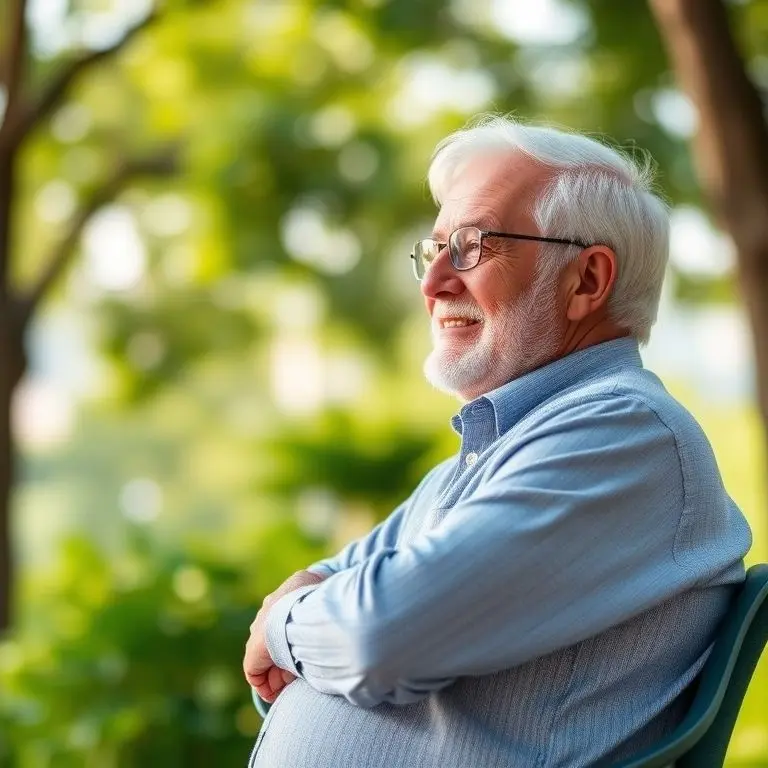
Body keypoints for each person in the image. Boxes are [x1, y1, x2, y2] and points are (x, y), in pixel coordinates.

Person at [242, 115, 752, 767]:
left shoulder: (621, 436)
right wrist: (309, 613)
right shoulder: (507, 444)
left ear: (588, 281)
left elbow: (375, 634)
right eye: (433, 251)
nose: (432, 285)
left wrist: (281, 626)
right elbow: (338, 581)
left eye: (474, 246)